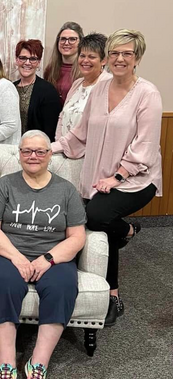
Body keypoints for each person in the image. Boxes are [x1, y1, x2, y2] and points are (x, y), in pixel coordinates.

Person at [52, 29, 162, 326]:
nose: (119, 58)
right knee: (104, 226)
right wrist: (51, 148)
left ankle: (126, 235)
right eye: (114, 53)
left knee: (97, 217)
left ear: (137, 58)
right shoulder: (99, 89)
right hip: (99, 177)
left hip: (136, 179)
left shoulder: (147, 94)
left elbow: (145, 145)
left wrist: (118, 176)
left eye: (127, 53)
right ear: (108, 57)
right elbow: (81, 134)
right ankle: (113, 289)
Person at [0, 130, 86, 379]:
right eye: (27, 151)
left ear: (50, 155)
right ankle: (6, 364)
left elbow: (77, 236)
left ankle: (38, 365)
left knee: (63, 287)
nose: (33, 156)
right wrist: (17, 257)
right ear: (19, 154)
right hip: (9, 252)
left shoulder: (66, 190)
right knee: (5, 284)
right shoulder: (5, 185)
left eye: (40, 151)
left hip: (52, 254)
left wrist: (48, 258)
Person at [55, 33, 111, 139]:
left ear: (104, 60)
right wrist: (58, 143)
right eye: (82, 56)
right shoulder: (77, 84)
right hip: (64, 146)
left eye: (91, 57)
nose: (85, 61)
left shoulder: (108, 85)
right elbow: (62, 117)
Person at [13, 39, 61, 141]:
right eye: (23, 58)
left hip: (36, 147)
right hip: (10, 146)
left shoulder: (48, 91)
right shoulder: (10, 88)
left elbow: (50, 130)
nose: (27, 63)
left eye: (33, 59)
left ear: (38, 62)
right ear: (17, 60)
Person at [44, 22, 84, 104]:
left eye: (72, 39)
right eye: (63, 39)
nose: (66, 43)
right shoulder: (50, 69)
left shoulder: (85, 70)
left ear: (81, 42)